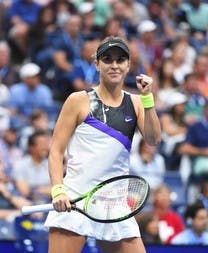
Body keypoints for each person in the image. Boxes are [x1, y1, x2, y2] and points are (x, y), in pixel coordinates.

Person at [44, 36, 161, 253]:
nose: (114, 65)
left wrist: (147, 99)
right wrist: (59, 190)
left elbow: (153, 139)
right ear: (96, 64)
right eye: (107, 59)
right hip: (76, 199)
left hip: (114, 204)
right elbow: (55, 151)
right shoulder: (78, 100)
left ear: (128, 66)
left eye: (120, 60)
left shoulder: (136, 102)